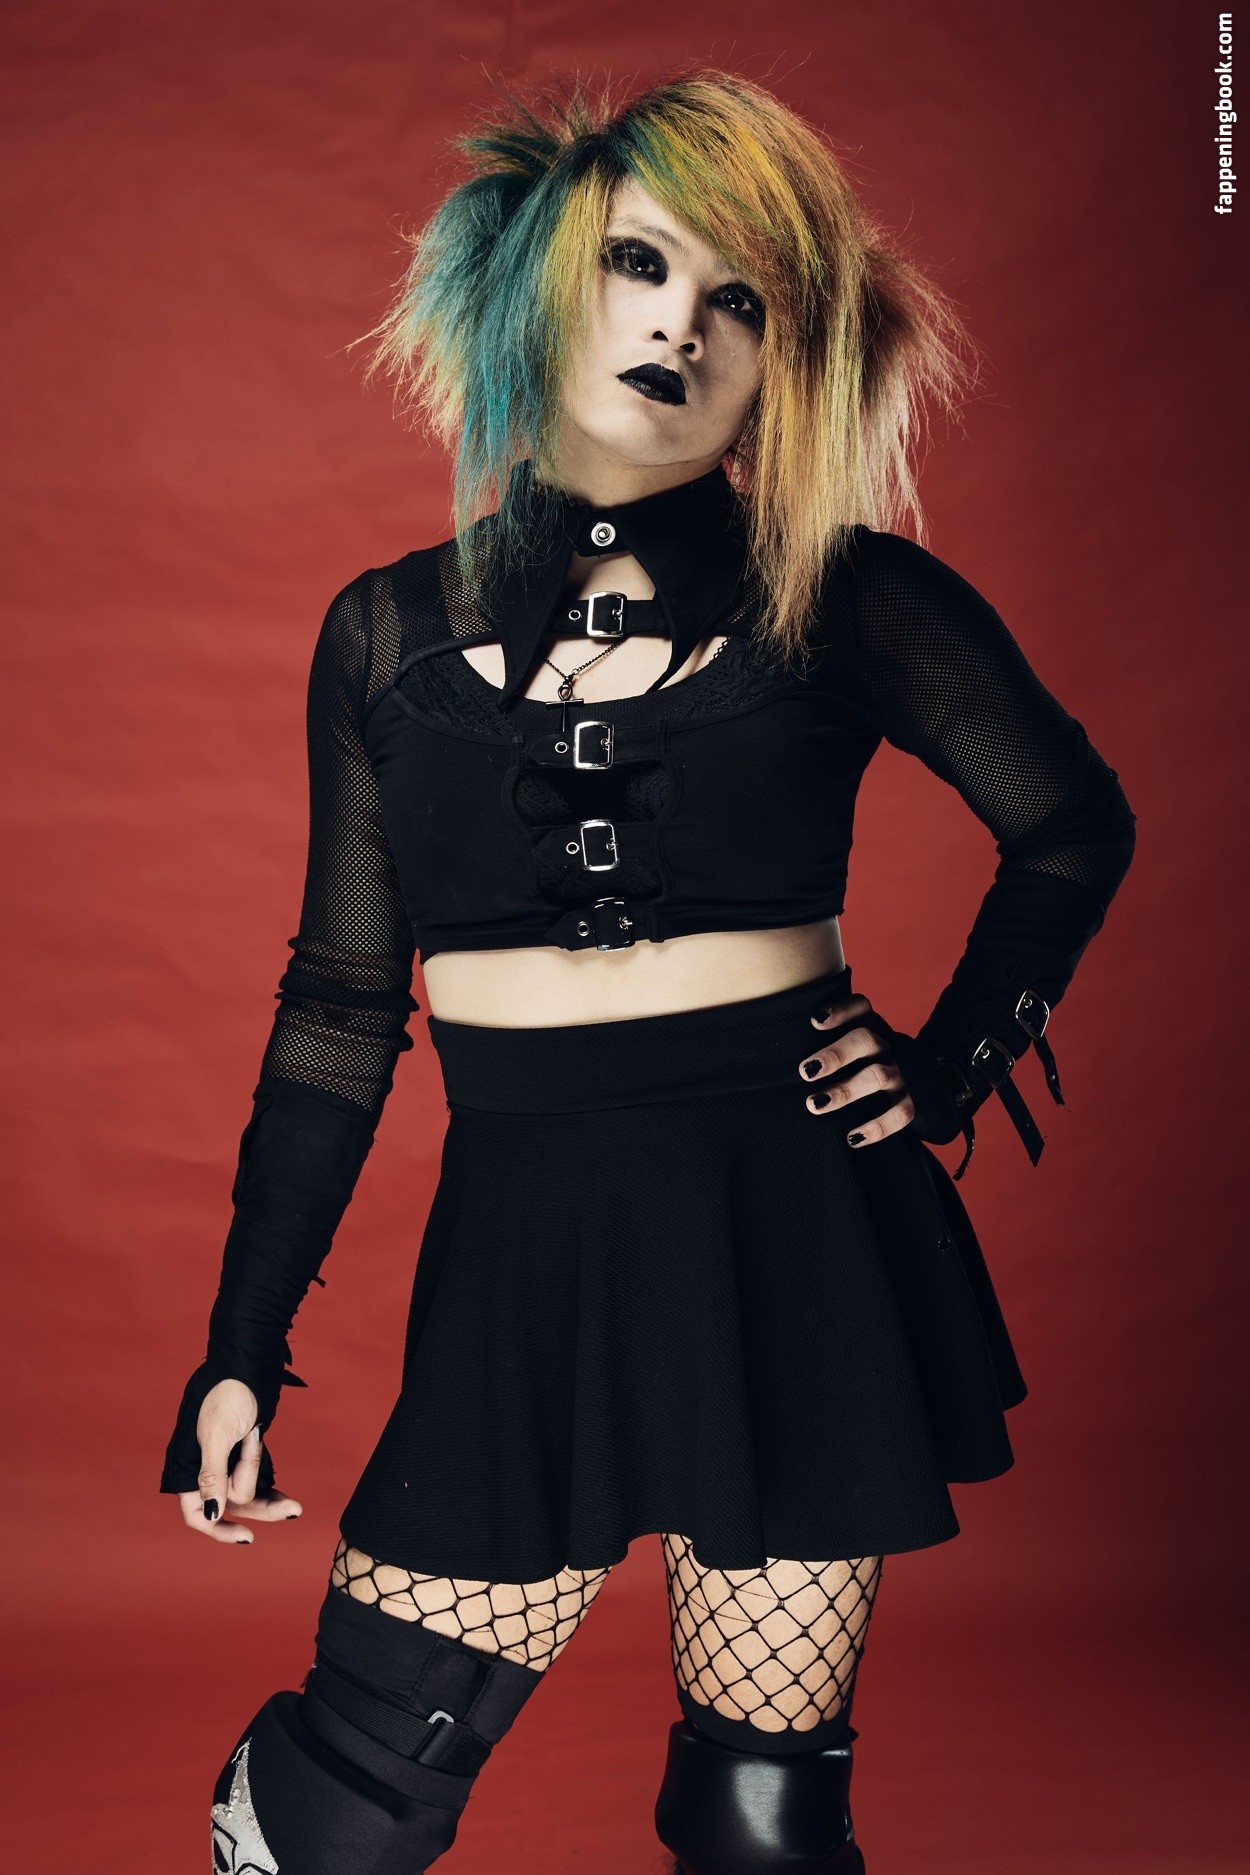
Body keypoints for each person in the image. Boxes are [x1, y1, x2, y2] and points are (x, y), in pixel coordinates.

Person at [160, 68, 1137, 1875]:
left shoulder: (848, 597)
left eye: (738, 299)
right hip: (524, 1250)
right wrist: (241, 1348)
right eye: (638, 264)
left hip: (795, 1231)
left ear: (785, 362)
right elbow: (339, 1010)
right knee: (340, 1813)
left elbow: (1073, 825)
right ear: (536, 285)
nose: (682, 325)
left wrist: (946, 1063)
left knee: (763, 1825)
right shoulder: (383, 633)